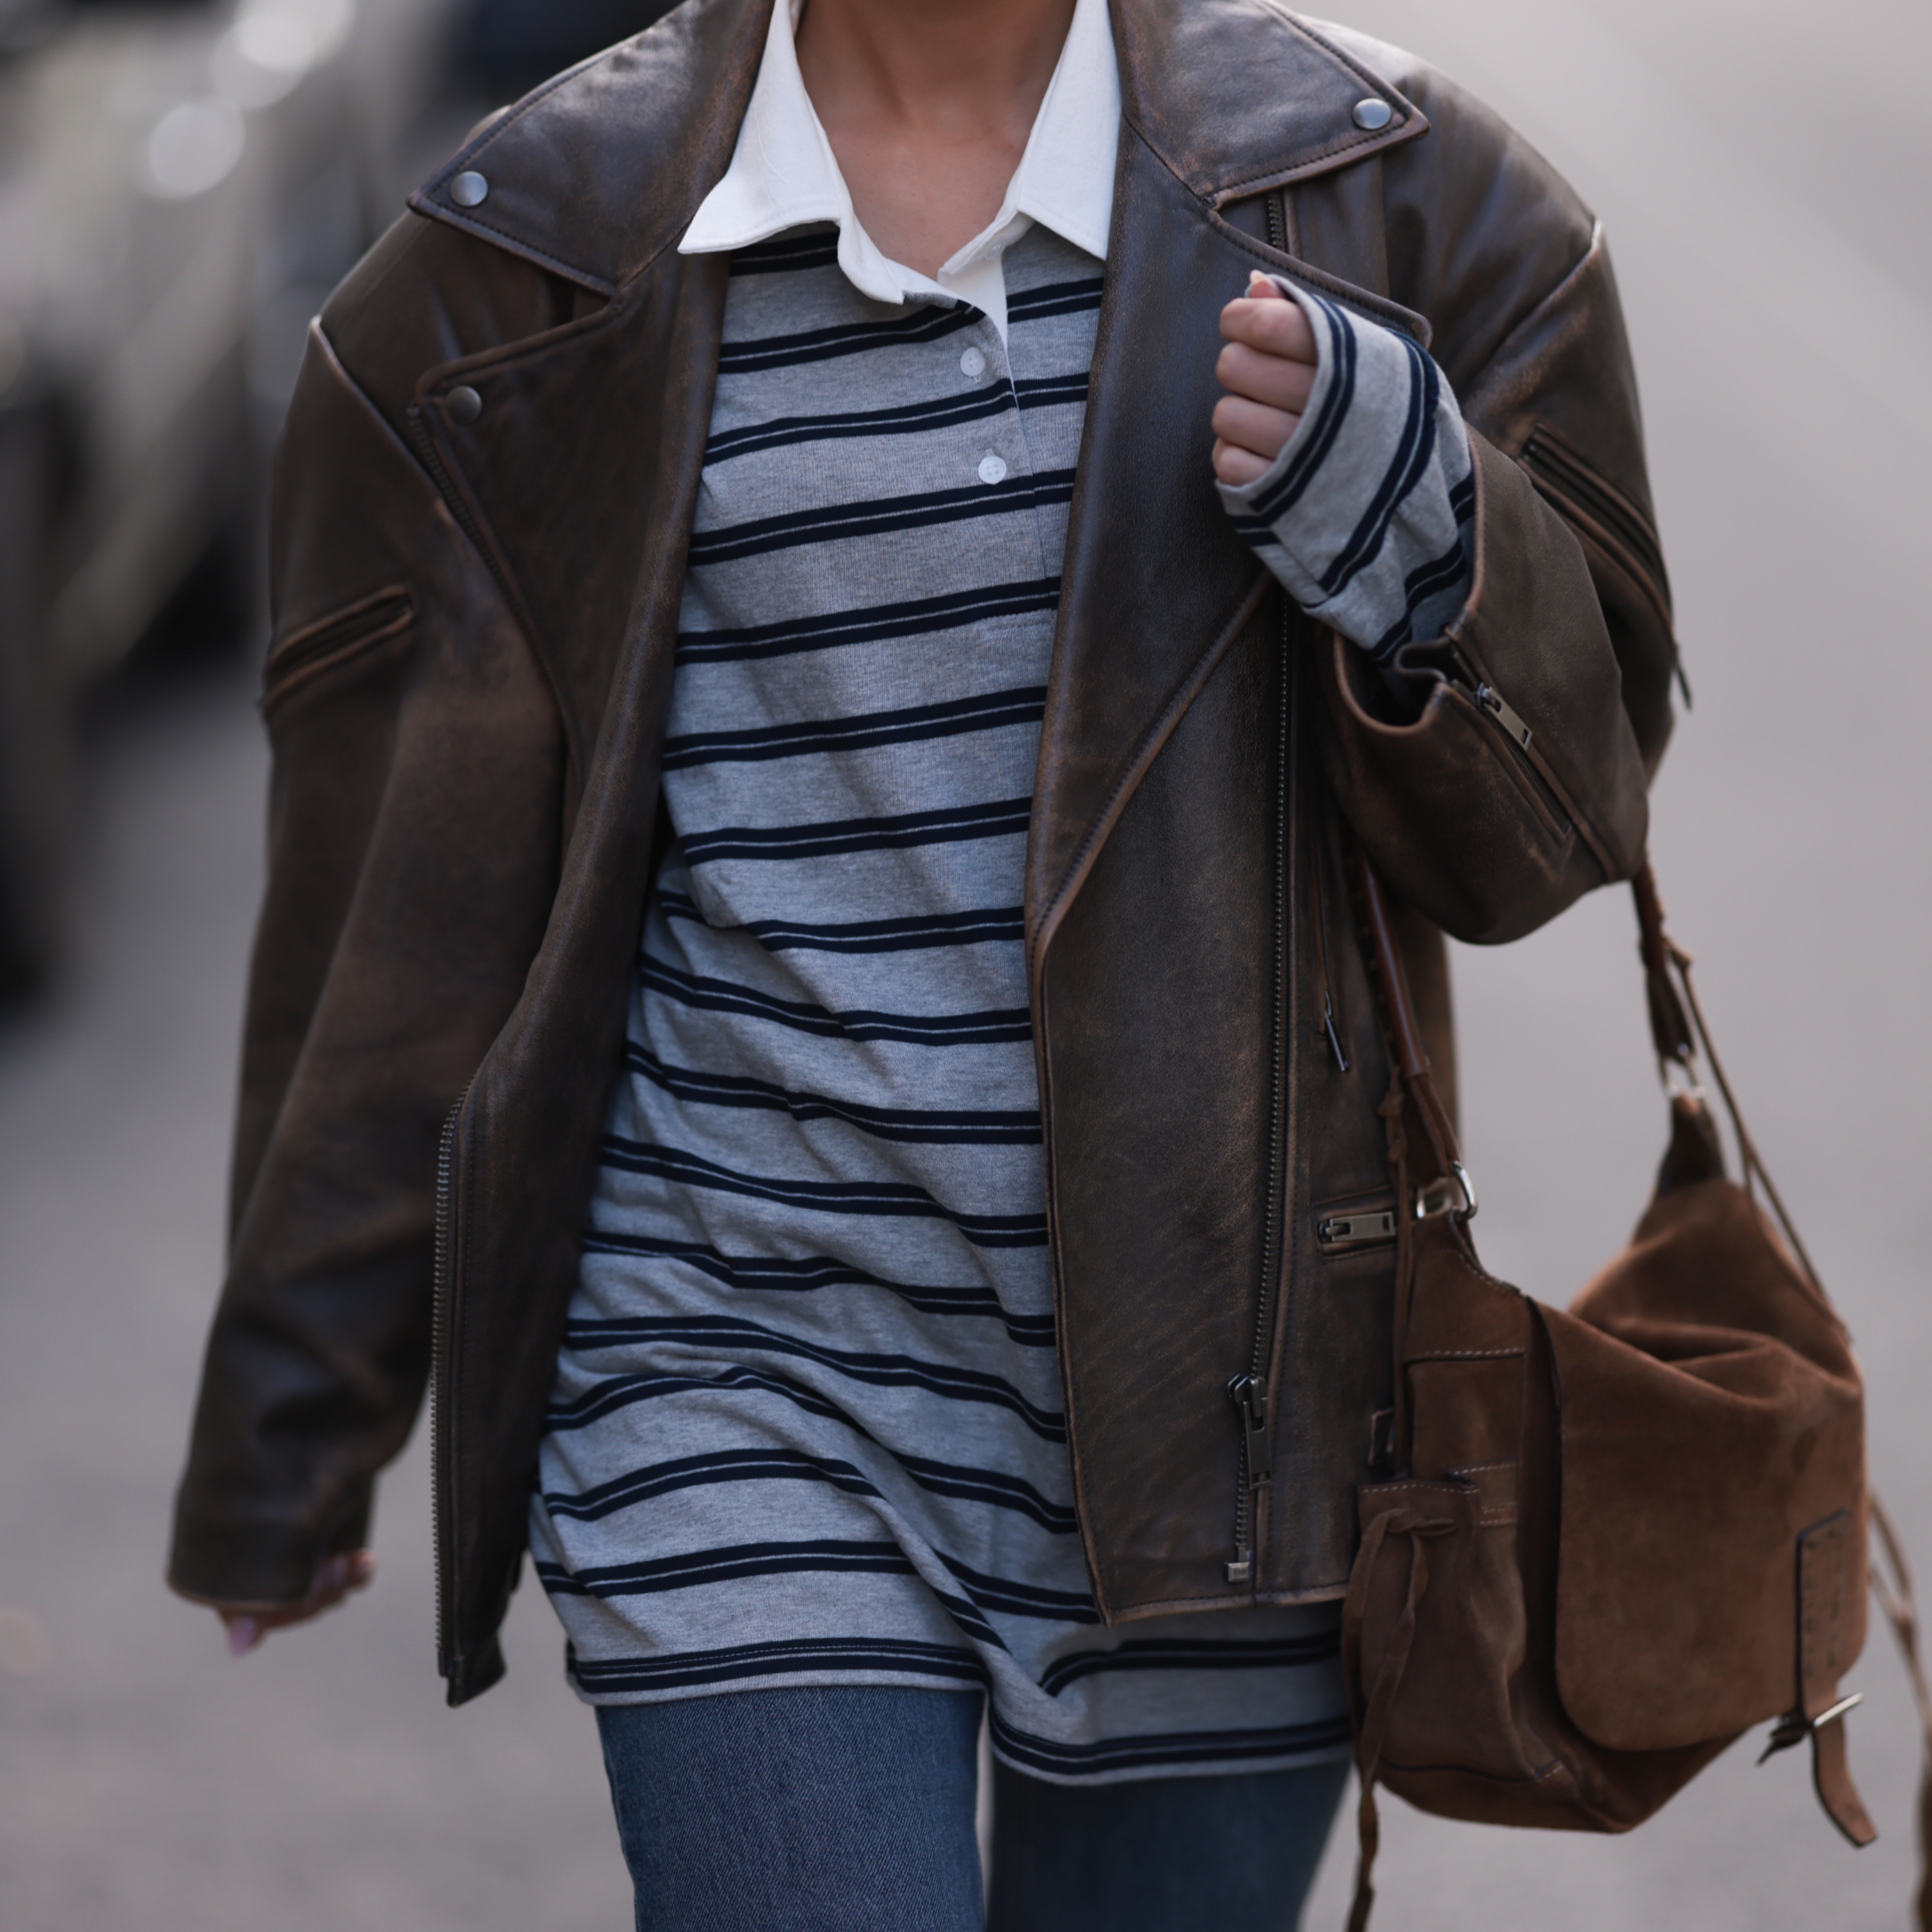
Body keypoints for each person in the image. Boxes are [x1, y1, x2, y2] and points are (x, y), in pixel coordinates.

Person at [168, 0, 1675, 1923]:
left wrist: (1430, 546)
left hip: (1232, 1432)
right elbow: (393, 906)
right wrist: (292, 1417)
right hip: (731, 1386)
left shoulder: (1402, 198)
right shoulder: (520, 264)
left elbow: (1570, 818)